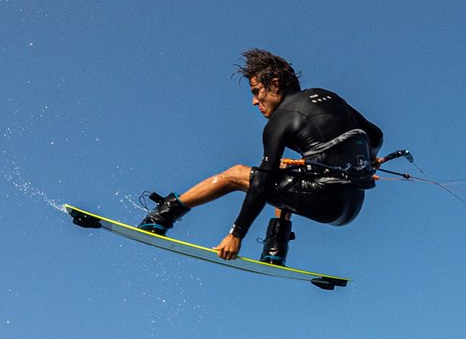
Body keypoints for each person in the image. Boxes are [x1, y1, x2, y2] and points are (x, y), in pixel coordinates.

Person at [138, 49, 383, 266]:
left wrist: (236, 234)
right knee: (283, 171)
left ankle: (161, 216)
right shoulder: (326, 96)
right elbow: (375, 135)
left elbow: (262, 184)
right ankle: (275, 248)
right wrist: (368, 158)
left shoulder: (281, 119)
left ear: (275, 84)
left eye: (256, 92)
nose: (255, 102)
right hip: (353, 204)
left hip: (328, 203)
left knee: (235, 175)